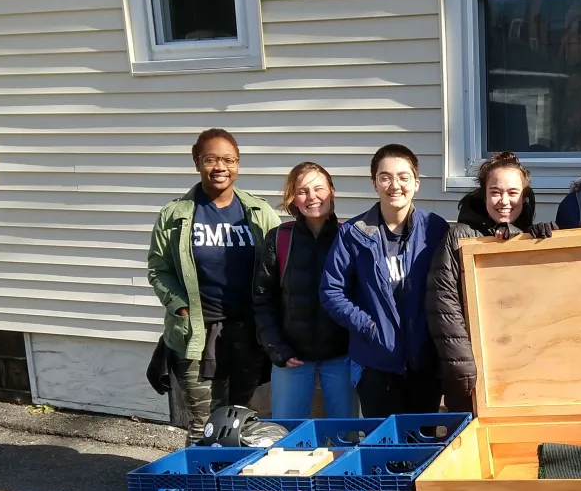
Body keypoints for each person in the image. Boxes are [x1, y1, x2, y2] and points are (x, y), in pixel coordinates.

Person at [147, 129, 280, 444]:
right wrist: (180, 306)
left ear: (238, 164)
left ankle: (232, 486)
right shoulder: (174, 215)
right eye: (210, 159)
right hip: (196, 332)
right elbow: (158, 269)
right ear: (197, 162)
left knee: (239, 419)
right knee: (205, 424)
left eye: (228, 160)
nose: (220, 167)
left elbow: (279, 262)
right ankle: (199, 490)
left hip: (248, 334)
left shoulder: (259, 212)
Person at [320, 144, 449, 417]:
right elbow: (331, 291)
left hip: (425, 362)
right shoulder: (354, 234)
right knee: (384, 445)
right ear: (374, 183)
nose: (395, 185)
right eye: (385, 177)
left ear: (416, 183)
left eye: (403, 177)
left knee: (422, 444)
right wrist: (367, 326)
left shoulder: (435, 229)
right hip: (376, 363)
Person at [426, 152, 547, 413]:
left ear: (524, 197)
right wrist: (462, 363)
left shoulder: (528, 236)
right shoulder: (458, 236)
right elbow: (443, 305)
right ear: (484, 195)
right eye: (495, 192)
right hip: (471, 372)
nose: (504, 201)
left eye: (513, 193)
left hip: (518, 370)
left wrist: (540, 242)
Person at [253, 161, 355, 419]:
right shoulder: (279, 239)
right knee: (287, 439)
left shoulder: (350, 238)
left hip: (341, 359)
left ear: (332, 191)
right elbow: (263, 300)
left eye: (319, 189)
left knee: (346, 436)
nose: (312, 197)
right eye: (302, 191)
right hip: (292, 358)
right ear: (293, 199)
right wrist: (277, 349)